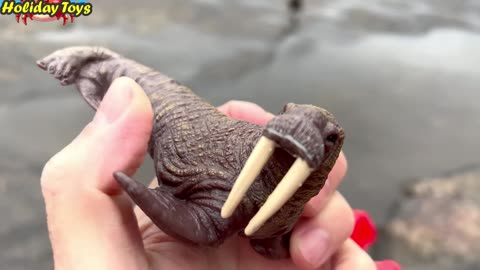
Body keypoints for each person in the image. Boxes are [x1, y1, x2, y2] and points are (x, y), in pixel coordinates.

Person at [40, 77, 395, 269]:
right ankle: (94, 70)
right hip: (185, 132)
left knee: (282, 228)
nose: (299, 123)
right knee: (220, 226)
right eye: (290, 113)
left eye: (328, 140)